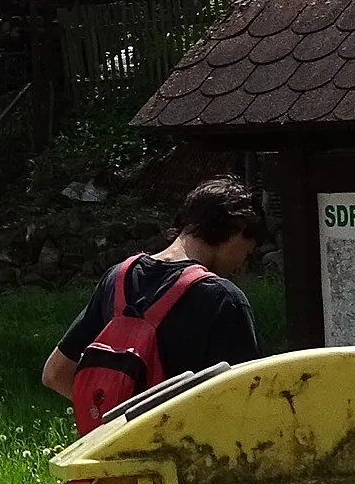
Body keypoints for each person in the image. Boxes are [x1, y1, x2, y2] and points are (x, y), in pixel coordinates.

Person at [42, 175, 265, 418]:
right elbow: (246, 405)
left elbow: (55, 374)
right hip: (183, 452)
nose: (243, 262)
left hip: (114, 451)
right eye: (247, 251)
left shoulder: (118, 278)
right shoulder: (224, 300)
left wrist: (111, 422)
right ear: (238, 231)